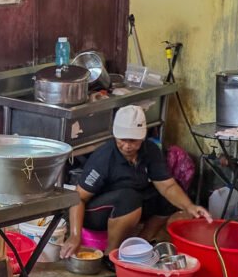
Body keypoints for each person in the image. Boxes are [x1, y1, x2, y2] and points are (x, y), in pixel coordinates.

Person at [60, 105, 211, 262]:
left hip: (131, 204)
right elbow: (78, 198)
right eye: (122, 140)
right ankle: (110, 254)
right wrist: (75, 235)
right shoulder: (104, 158)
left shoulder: (150, 150)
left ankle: (141, 246)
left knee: (167, 197)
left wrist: (189, 207)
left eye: (133, 141)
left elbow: (168, 186)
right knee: (129, 197)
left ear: (142, 137)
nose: (127, 146)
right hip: (96, 213)